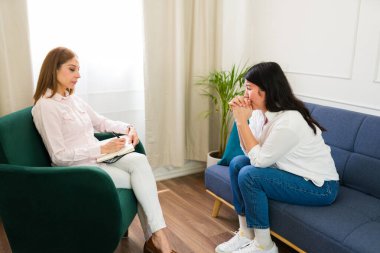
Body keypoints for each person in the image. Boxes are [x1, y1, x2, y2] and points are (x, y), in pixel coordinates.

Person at [32, 47, 176, 253]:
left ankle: (157, 239)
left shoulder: (72, 99)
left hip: (99, 158)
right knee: (141, 182)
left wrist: (128, 128)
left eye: (79, 69)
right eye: (72, 69)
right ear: (53, 69)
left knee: (139, 161)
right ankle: (160, 242)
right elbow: (59, 156)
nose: (78, 75)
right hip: (77, 169)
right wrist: (100, 147)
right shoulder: (46, 107)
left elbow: (100, 122)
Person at [215, 62, 339, 253]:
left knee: (250, 174)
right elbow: (249, 150)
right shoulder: (260, 113)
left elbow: (259, 161)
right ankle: (245, 233)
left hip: (320, 186)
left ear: (266, 90)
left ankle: (265, 246)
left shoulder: (289, 122)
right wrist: (243, 120)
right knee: (238, 163)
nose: (245, 94)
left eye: (249, 89)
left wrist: (241, 121)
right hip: (288, 171)